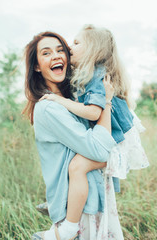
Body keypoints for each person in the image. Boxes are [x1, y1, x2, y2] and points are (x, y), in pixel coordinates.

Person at [39, 25, 149, 238]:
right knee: (77, 166)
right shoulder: (84, 74)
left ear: (93, 50)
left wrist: (59, 100)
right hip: (108, 138)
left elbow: (92, 113)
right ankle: (66, 204)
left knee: (77, 167)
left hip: (114, 142)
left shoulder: (97, 77)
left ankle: (69, 225)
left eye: (77, 43)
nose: (70, 47)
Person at [23, 31, 123, 240]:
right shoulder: (49, 107)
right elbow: (98, 151)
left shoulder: (76, 95)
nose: (57, 56)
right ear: (37, 66)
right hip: (79, 211)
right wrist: (106, 101)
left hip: (91, 198)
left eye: (61, 50)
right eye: (47, 53)